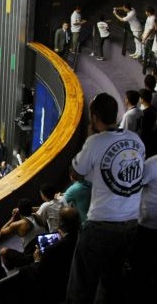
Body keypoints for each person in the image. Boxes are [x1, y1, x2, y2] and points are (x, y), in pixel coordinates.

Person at [67, 92, 145, 303]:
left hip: (101, 225)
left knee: (81, 286)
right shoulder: (136, 140)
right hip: (131, 224)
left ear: (93, 117)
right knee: (110, 282)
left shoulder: (94, 142)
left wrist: (91, 137)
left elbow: (76, 173)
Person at [19, 207, 82, 304]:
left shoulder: (51, 250)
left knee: (24, 271)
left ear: (59, 223)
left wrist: (37, 260)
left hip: (62, 288)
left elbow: (40, 272)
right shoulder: (85, 235)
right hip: (81, 280)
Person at [130, 155, 157, 300]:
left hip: (147, 223)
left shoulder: (152, 164)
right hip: (149, 221)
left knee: (141, 264)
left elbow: (135, 184)